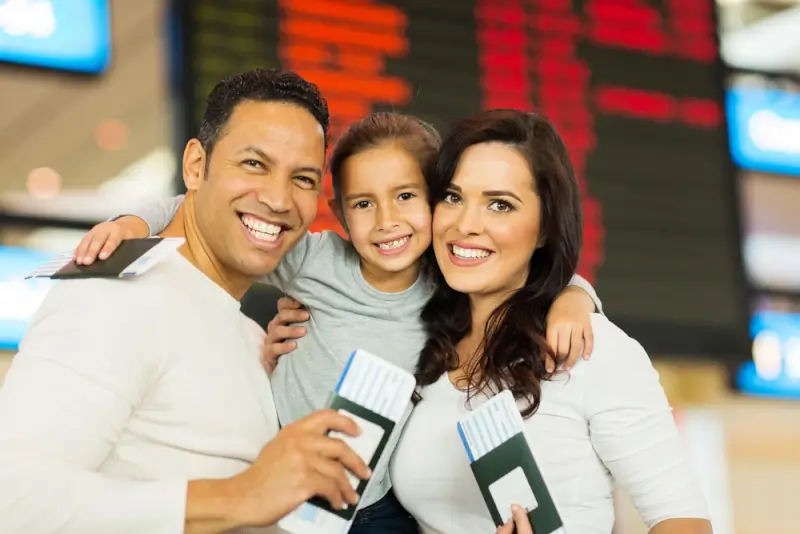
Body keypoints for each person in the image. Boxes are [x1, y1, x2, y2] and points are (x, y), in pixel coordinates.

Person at [72, 112, 604, 533]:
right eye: (363, 204)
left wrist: (576, 296)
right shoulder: (312, 260)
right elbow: (208, 213)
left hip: (381, 504)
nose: (387, 221)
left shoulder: (450, 281)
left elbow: (528, 276)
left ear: (435, 203)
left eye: (406, 197)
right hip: (286, 493)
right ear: (339, 212)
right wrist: (135, 222)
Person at [0, 69, 372, 534]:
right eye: (254, 164)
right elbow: (14, 500)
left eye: (302, 178)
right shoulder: (115, 294)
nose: (279, 199)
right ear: (196, 166)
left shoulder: (255, 337)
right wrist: (242, 496)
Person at [389, 110, 712, 534]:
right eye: (452, 196)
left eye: (500, 204)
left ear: (544, 228)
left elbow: (683, 521)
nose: (465, 225)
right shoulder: (419, 342)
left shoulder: (593, 351)